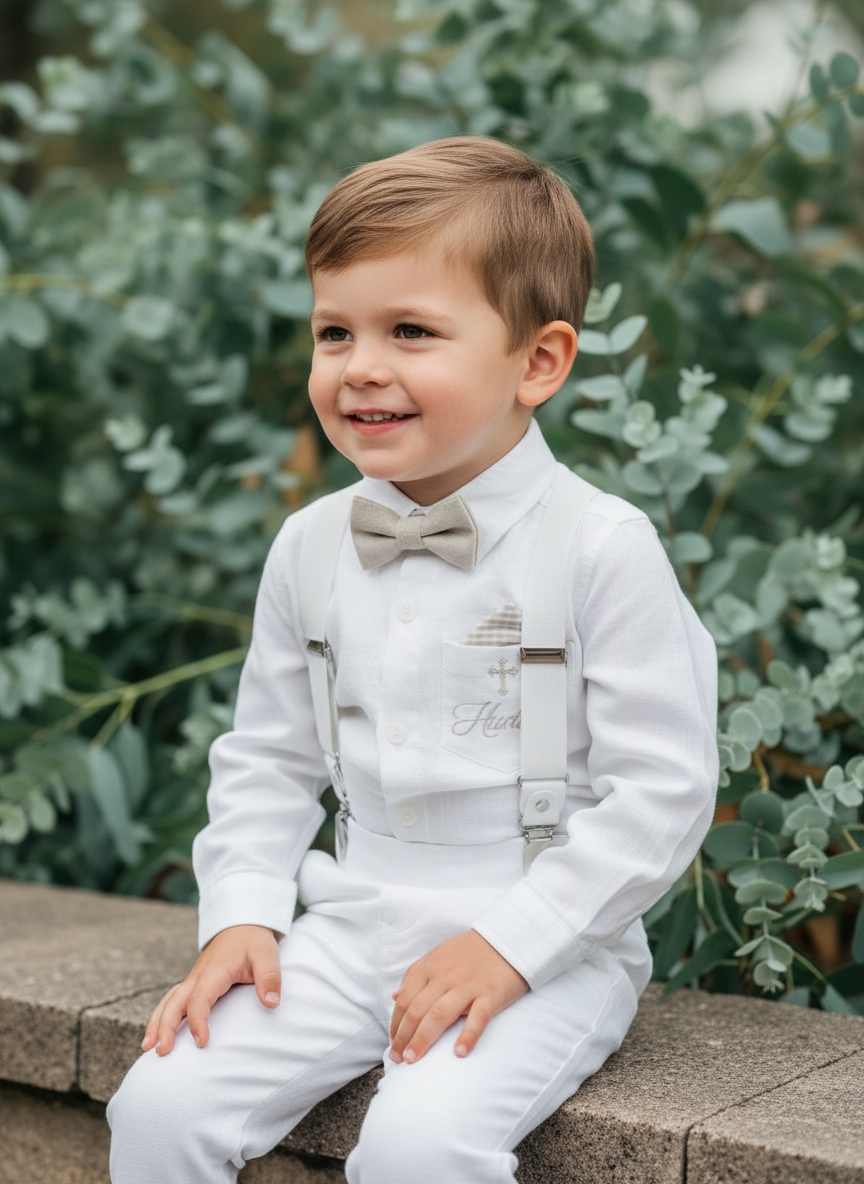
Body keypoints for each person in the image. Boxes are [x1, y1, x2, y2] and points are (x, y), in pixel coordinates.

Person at [107, 136, 719, 1184]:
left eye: (411, 331)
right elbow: (267, 756)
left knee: (416, 1148)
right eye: (334, 331)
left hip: (547, 943)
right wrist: (243, 912)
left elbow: (663, 790)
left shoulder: (601, 547)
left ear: (539, 362)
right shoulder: (310, 545)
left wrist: (514, 942)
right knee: (158, 1103)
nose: (361, 366)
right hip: (350, 925)